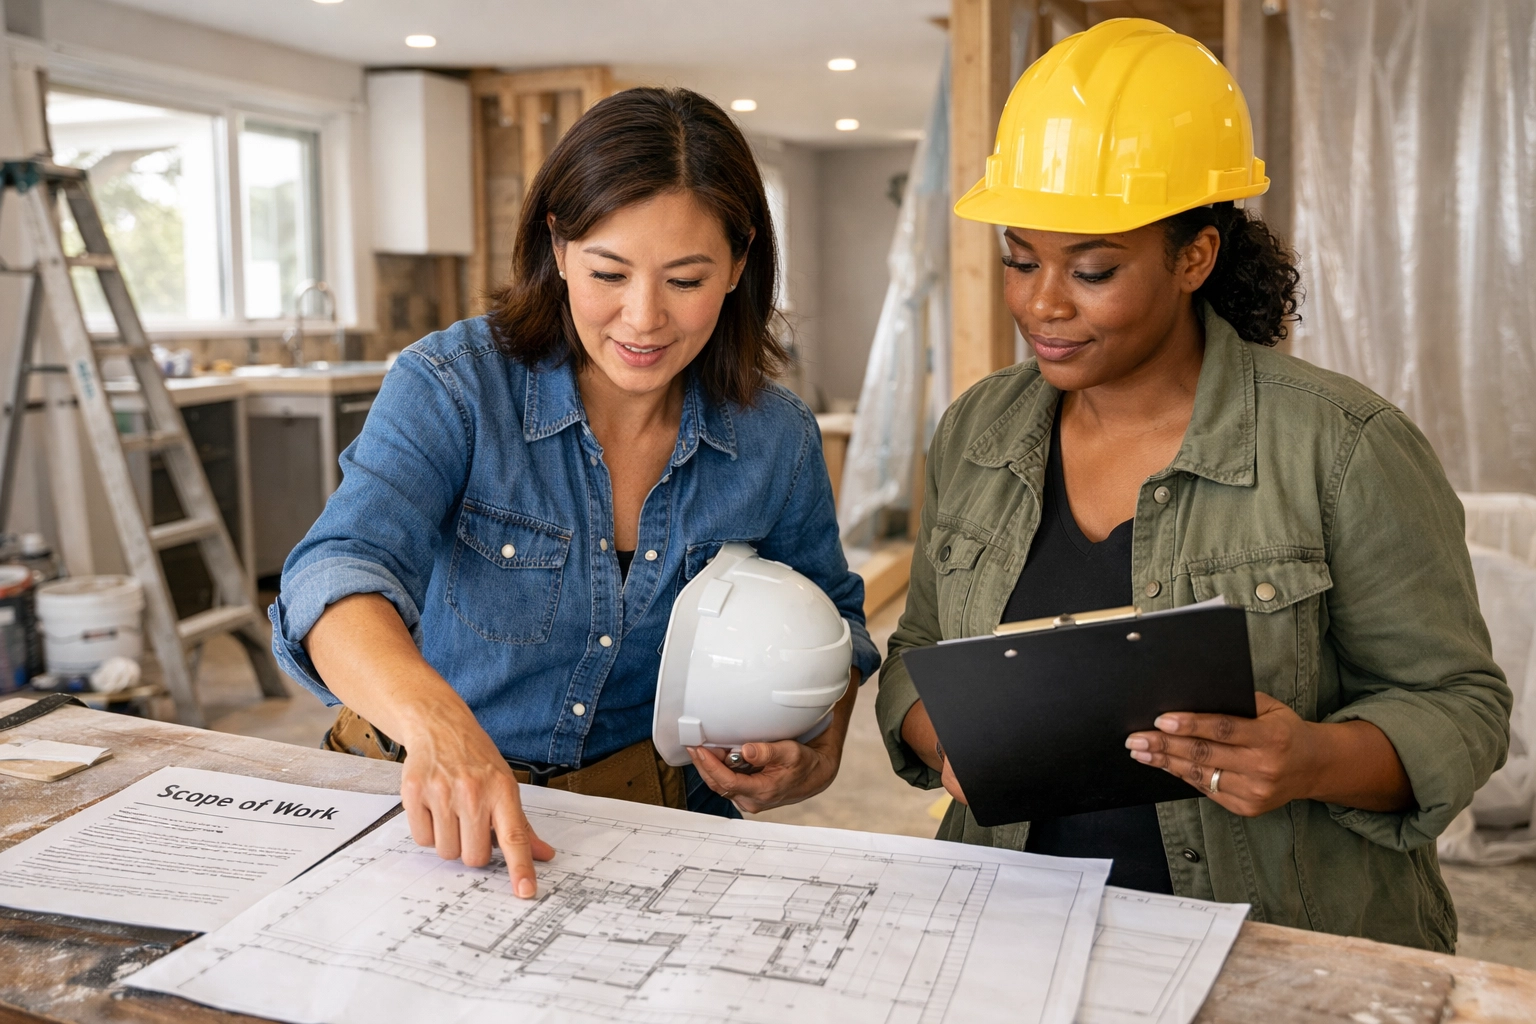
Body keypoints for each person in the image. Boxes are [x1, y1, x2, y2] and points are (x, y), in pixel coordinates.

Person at [877, 19, 1509, 951]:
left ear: (1194, 257)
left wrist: (1313, 760)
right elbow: (918, 651)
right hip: (1017, 933)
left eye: (1093, 269)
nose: (1042, 302)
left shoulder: (1342, 445)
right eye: (1020, 259)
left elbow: (1460, 704)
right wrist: (948, 739)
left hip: (1279, 943)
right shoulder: (980, 430)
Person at [271, 87, 879, 900]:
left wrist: (820, 751)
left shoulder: (775, 437)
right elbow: (334, 572)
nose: (643, 318)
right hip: (420, 808)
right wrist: (437, 723)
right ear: (557, 247)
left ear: (739, 265)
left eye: (686, 280)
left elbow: (838, 619)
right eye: (608, 273)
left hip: (654, 826)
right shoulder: (454, 386)